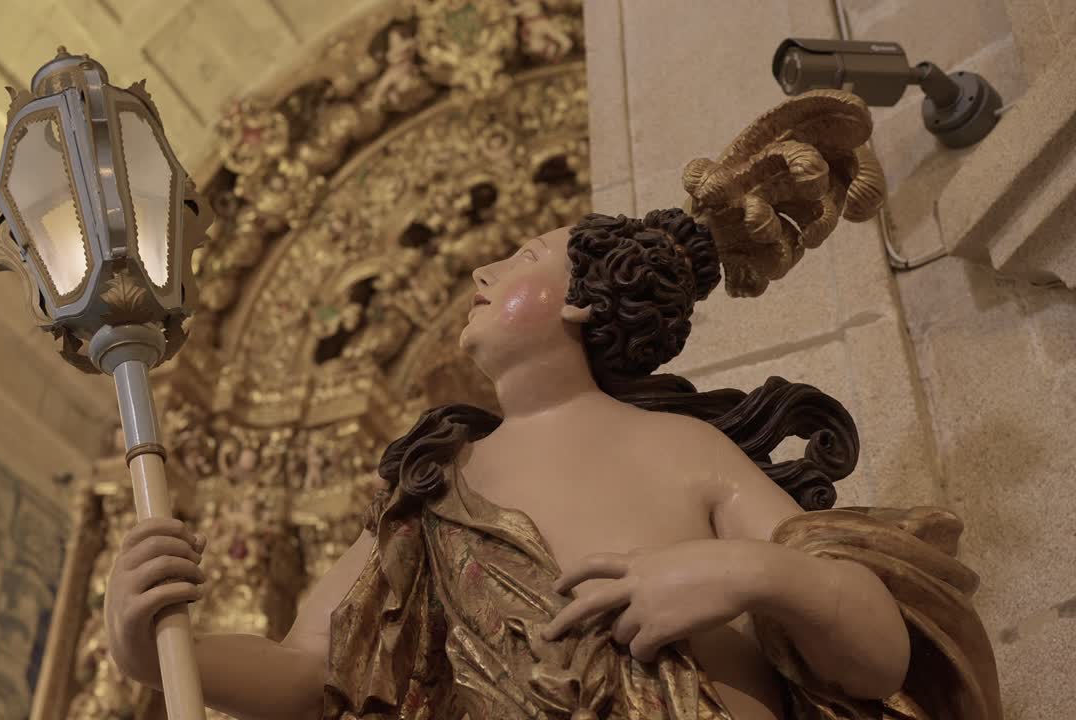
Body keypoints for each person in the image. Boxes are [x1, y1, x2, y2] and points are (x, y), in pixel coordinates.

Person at [104, 92, 1001, 720]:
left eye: (523, 255)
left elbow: (878, 650)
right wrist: (156, 652)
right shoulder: (434, 490)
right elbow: (306, 674)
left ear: (582, 302)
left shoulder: (679, 450)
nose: (482, 272)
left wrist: (741, 574)